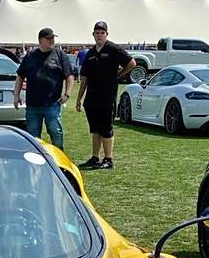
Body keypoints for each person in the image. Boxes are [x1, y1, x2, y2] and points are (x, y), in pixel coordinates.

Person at [76, 21, 136, 170]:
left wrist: (119, 75)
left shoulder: (113, 49)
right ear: (93, 34)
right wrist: (79, 98)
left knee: (106, 129)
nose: (99, 35)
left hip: (107, 97)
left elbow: (132, 63)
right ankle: (95, 157)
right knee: (95, 129)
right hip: (91, 98)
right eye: (97, 33)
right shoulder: (90, 53)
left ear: (107, 34)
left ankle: (108, 159)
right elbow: (84, 77)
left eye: (102, 33)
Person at [13, 27, 74, 150]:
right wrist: (16, 95)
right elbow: (20, 76)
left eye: (53, 38)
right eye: (48, 38)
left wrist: (67, 94)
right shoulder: (30, 56)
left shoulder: (60, 55)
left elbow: (69, 76)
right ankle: (35, 161)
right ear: (41, 40)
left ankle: (58, 162)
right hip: (33, 104)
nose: (52, 41)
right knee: (33, 136)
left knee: (55, 132)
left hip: (52, 103)